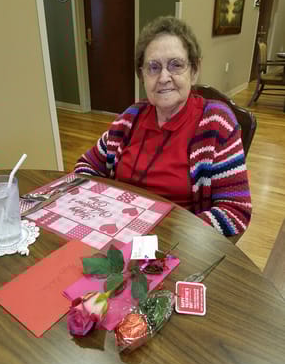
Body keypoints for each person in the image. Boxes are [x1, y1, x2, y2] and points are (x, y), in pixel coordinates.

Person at [75, 16, 252, 238]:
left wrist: (170, 234)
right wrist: (103, 211)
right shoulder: (129, 119)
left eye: (176, 65)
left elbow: (236, 211)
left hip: (178, 247)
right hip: (115, 232)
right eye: (153, 67)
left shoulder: (216, 123)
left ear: (194, 70)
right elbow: (85, 167)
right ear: (142, 75)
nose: (164, 77)